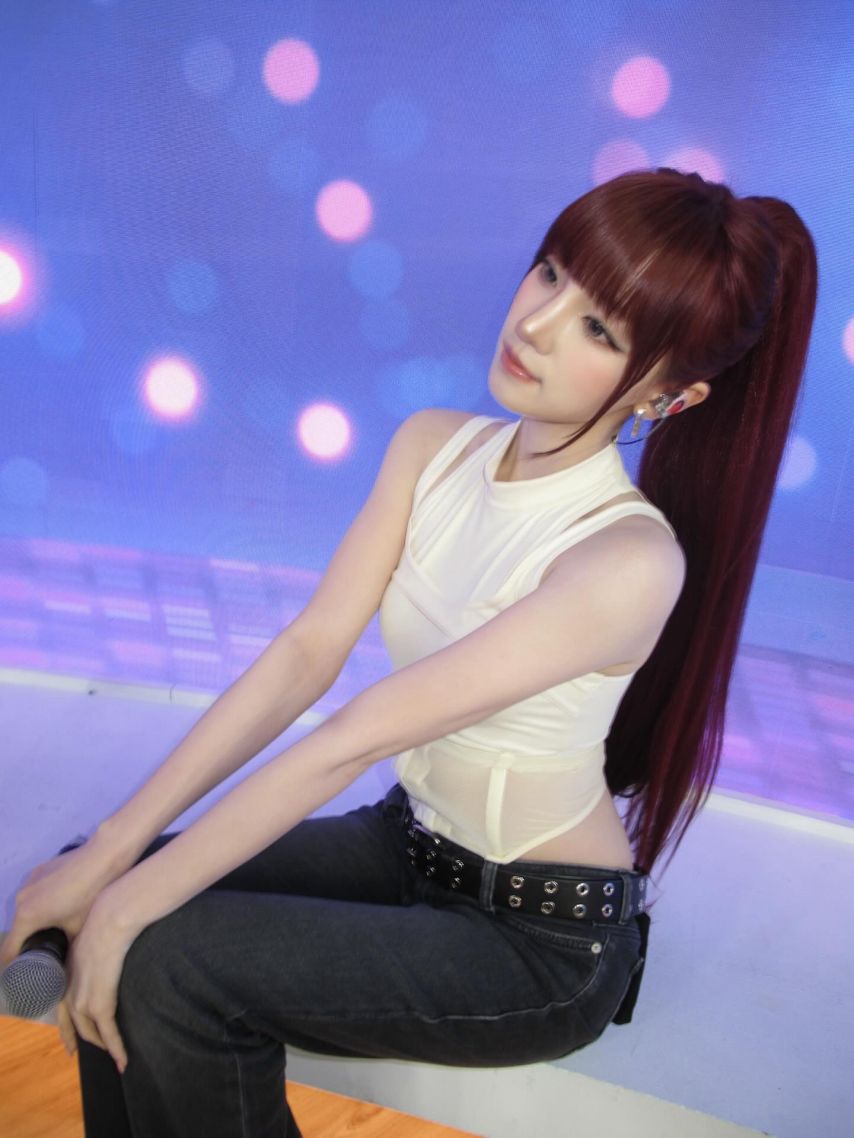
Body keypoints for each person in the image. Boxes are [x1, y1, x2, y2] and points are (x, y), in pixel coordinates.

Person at [1, 167, 818, 1138]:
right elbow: (306, 651)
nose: (537, 325)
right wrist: (110, 853)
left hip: (537, 938)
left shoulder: (625, 560)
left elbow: (355, 734)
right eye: (551, 273)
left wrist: (131, 900)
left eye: (599, 329)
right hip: (409, 843)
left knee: (168, 958)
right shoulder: (433, 446)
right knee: (100, 885)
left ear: (671, 396)